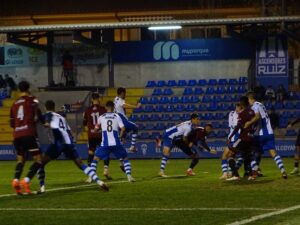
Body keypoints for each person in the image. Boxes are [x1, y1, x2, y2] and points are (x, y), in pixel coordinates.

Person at [37, 100, 108, 193]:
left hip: (58, 143)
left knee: (40, 163)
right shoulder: (61, 117)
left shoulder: (48, 115)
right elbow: (69, 132)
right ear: (54, 107)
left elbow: (44, 122)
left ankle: (42, 188)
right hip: (69, 143)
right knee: (81, 164)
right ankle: (99, 181)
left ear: (46, 108)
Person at [10, 81, 43, 195]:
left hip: (17, 135)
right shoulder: (32, 100)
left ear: (19, 90)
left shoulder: (14, 104)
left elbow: (12, 124)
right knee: (39, 160)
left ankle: (15, 181)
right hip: (28, 133)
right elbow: (37, 113)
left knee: (20, 159)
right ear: (28, 88)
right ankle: (26, 180)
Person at [89, 101, 135, 183]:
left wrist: (99, 129)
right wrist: (120, 137)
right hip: (116, 143)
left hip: (105, 144)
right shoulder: (116, 116)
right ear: (113, 108)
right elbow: (123, 129)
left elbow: (96, 129)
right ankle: (129, 176)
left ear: (106, 108)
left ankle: (91, 177)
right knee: (125, 158)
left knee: (95, 159)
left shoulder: (101, 117)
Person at [245, 92, 287, 179]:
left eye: (248, 100)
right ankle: (283, 171)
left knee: (253, 153)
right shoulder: (261, 105)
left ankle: (254, 174)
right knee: (273, 153)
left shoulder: (255, 106)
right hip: (269, 133)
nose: (248, 102)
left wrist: (248, 123)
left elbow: (257, 117)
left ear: (250, 99)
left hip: (260, 134)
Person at [226, 100, 259, 181]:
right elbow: (256, 123)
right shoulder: (252, 112)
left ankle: (235, 175)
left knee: (230, 154)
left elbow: (238, 126)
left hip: (243, 138)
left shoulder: (242, 113)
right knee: (247, 157)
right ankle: (251, 175)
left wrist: (230, 136)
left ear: (242, 104)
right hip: (251, 138)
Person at [83, 93, 110, 182]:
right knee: (105, 151)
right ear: (99, 99)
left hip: (91, 135)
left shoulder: (87, 110)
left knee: (91, 153)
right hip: (101, 134)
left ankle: (90, 176)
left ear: (91, 99)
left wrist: (90, 130)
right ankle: (106, 170)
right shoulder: (103, 109)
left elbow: (84, 124)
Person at [114, 87, 141, 152]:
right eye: (125, 93)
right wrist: (136, 107)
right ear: (122, 93)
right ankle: (132, 147)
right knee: (136, 128)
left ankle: (120, 151)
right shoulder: (120, 100)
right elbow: (124, 105)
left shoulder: (115, 99)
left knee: (123, 135)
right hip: (123, 120)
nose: (125, 95)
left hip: (117, 121)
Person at [220, 105, 242, 179]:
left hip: (237, 138)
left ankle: (230, 173)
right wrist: (229, 137)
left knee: (228, 156)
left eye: (238, 108)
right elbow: (231, 128)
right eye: (236, 107)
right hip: (232, 138)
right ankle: (227, 173)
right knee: (226, 156)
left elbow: (237, 128)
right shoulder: (231, 114)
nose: (236, 109)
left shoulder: (241, 116)